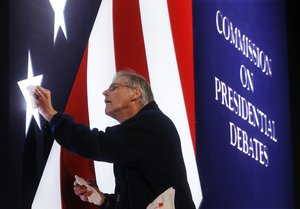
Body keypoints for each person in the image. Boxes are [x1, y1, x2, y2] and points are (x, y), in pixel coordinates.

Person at [33, 70, 196, 209]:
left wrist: (51, 116)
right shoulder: (137, 134)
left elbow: (98, 143)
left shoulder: (152, 124)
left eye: (113, 87)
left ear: (135, 93)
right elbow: (139, 200)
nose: (105, 92)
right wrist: (103, 200)